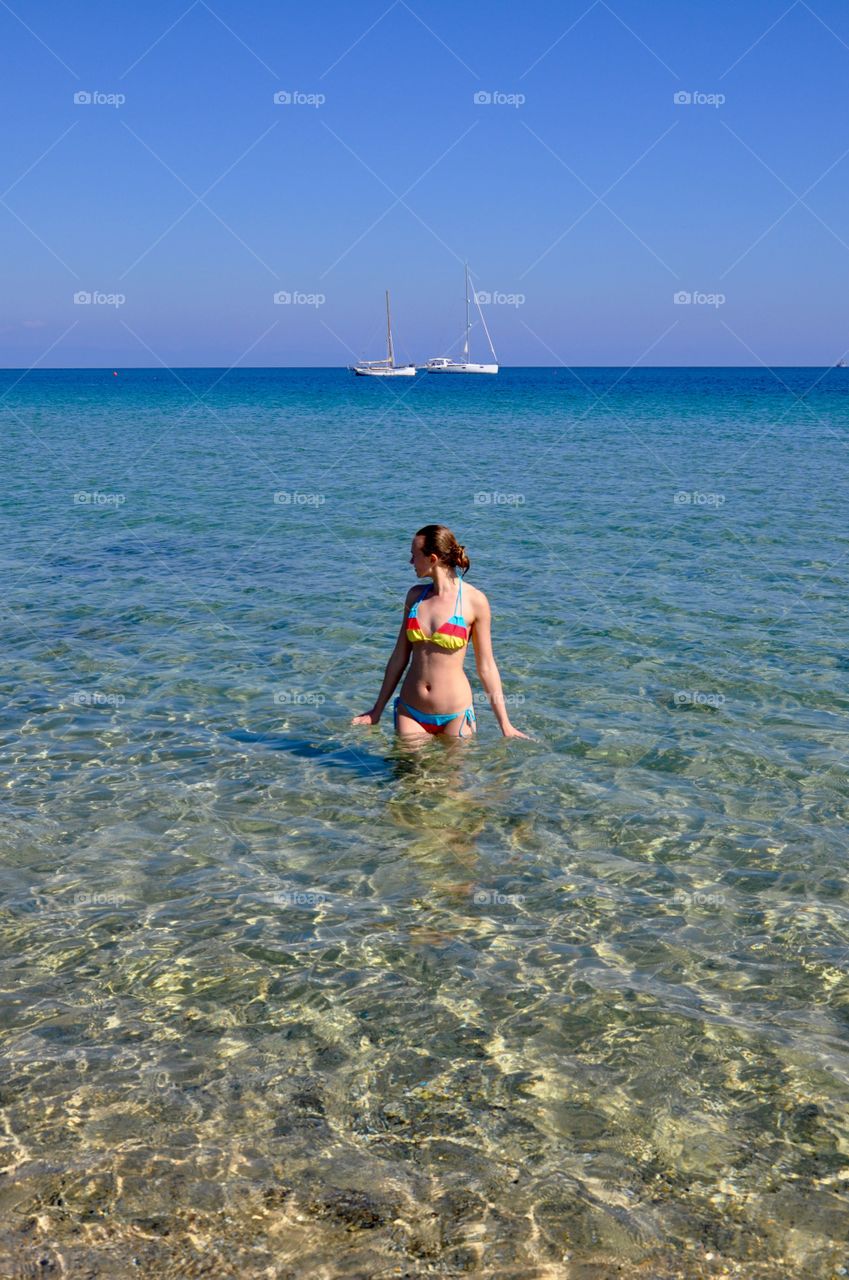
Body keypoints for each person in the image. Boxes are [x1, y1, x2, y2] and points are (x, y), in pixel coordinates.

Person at [352, 524, 528, 741]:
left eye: (414, 556)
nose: (410, 563)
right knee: (409, 774)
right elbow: (399, 656)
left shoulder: (475, 601)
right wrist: (376, 710)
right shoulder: (415, 597)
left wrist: (505, 724)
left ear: (432, 559)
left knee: (452, 775)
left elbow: (486, 667)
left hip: (456, 715)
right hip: (411, 712)